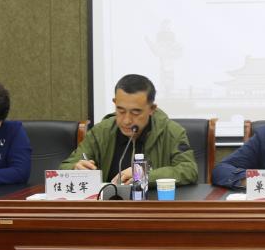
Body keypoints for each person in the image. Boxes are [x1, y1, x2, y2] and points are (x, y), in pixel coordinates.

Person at [60, 74, 197, 184]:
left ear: (152, 109)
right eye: (120, 110)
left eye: (135, 112)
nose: (126, 120)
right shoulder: (101, 131)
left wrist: (142, 174)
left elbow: (189, 170)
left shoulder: (172, 132)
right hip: (109, 206)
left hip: (153, 205)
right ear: (115, 103)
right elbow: (65, 167)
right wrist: (75, 169)